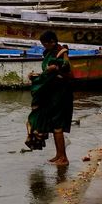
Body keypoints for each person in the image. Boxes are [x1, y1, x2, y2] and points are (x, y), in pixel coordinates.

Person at [24, 30, 73, 166]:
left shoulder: (61, 52)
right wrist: (38, 75)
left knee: (58, 125)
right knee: (53, 124)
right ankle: (59, 155)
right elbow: (47, 72)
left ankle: (63, 158)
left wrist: (55, 68)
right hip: (52, 93)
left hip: (61, 93)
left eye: (45, 44)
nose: (44, 47)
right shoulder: (48, 53)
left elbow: (66, 68)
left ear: (52, 41)